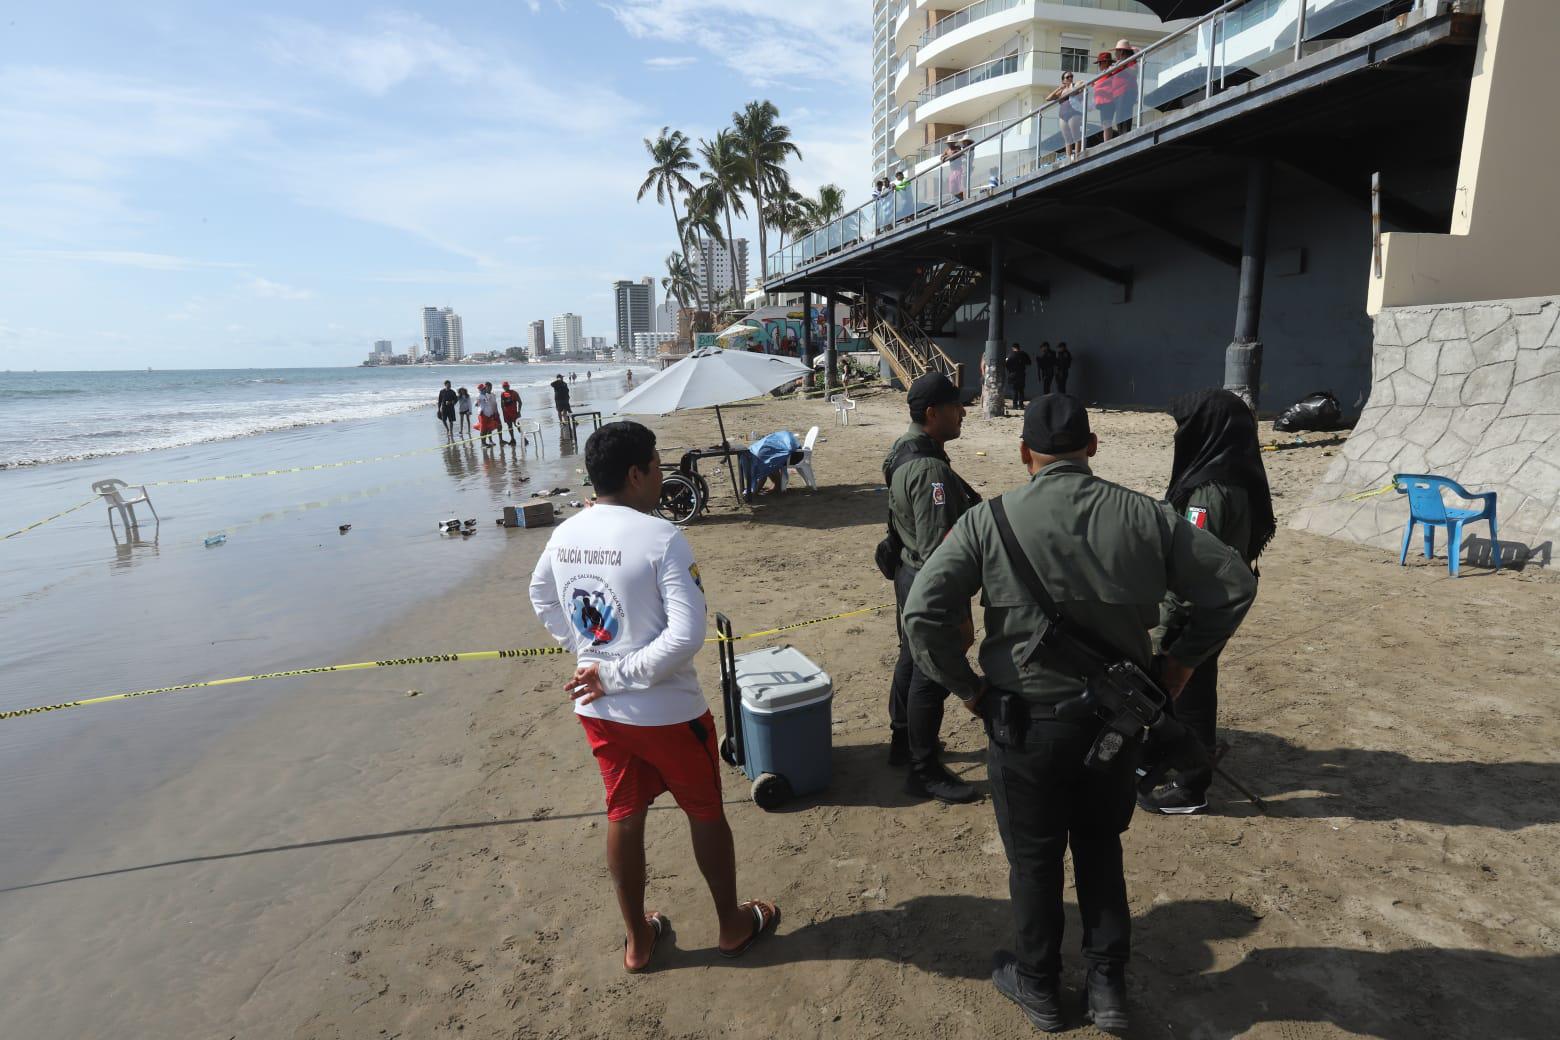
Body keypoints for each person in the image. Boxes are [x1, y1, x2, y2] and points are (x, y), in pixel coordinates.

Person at [902, 395, 1257, 1034]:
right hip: (1116, 729)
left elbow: (922, 614)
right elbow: (1233, 584)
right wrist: (1180, 664)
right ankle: (1108, 989)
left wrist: (969, 690)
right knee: (1100, 849)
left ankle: (1039, 988)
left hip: (1021, 724)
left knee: (1034, 861)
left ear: (1023, 454)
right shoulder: (1148, 515)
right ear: (1092, 448)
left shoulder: (990, 521)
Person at [527, 421, 779, 972]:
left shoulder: (566, 532)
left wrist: (587, 652)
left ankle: (638, 940)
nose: (663, 473)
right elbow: (689, 635)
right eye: (657, 463)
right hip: (665, 712)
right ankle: (731, 925)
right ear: (636, 473)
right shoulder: (661, 536)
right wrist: (610, 670)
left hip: (599, 710)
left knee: (624, 812)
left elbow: (541, 593)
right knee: (705, 811)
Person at [1142, 389, 1275, 815]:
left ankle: (1191, 786)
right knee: (1186, 690)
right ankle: (1174, 761)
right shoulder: (1238, 477)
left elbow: (1192, 569)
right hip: (1212, 607)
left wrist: (1162, 632)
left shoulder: (1209, 494)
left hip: (1196, 612)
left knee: (1190, 693)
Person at [883, 373, 981, 805]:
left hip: (908, 573)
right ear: (932, 413)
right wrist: (957, 612)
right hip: (927, 580)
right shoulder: (930, 470)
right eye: (956, 407)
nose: (962, 414)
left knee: (910, 657)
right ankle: (923, 771)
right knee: (931, 670)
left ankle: (903, 741)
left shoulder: (904, 450)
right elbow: (939, 550)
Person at [1047, 72, 1083, 161]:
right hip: (1063, 114)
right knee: (1067, 138)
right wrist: (1059, 88)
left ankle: (1078, 156)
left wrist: (1070, 88)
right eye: (1068, 77)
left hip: (1074, 112)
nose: (1070, 78)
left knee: (1076, 135)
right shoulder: (1061, 91)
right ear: (1063, 80)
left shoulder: (1076, 85)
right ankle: (1069, 158)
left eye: (1071, 76)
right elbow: (1048, 98)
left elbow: (1080, 86)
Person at [1005, 343, 1032, 409]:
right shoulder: (1024, 354)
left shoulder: (1010, 355)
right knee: (1021, 390)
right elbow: (1029, 363)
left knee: (1014, 391)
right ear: (1019, 347)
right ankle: (1021, 405)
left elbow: (1006, 364)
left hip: (1013, 374)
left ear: (1013, 348)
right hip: (1021, 374)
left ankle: (1015, 405)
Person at [474, 382, 500, 446]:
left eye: (484, 388)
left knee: (487, 428)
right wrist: (477, 403)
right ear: (480, 390)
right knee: (483, 429)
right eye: (483, 389)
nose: (484, 389)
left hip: (488, 415)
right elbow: (476, 404)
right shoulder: (480, 396)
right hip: (483, 415)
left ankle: (486, 442)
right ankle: (483, 443)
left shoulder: (485, 395)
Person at [499, 380, 522, 446]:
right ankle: (512, 439)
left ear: (509, 386)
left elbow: (520, 402)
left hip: (514, 413)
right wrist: (503, 413)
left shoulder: (514, 393)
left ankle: (524, 438)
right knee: (509, 426)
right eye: (504, 386)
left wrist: (519, 411)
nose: (505, 387)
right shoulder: (502, 394)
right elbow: (501, 405)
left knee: (517, 426)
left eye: (506, 386)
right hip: (507, 414)